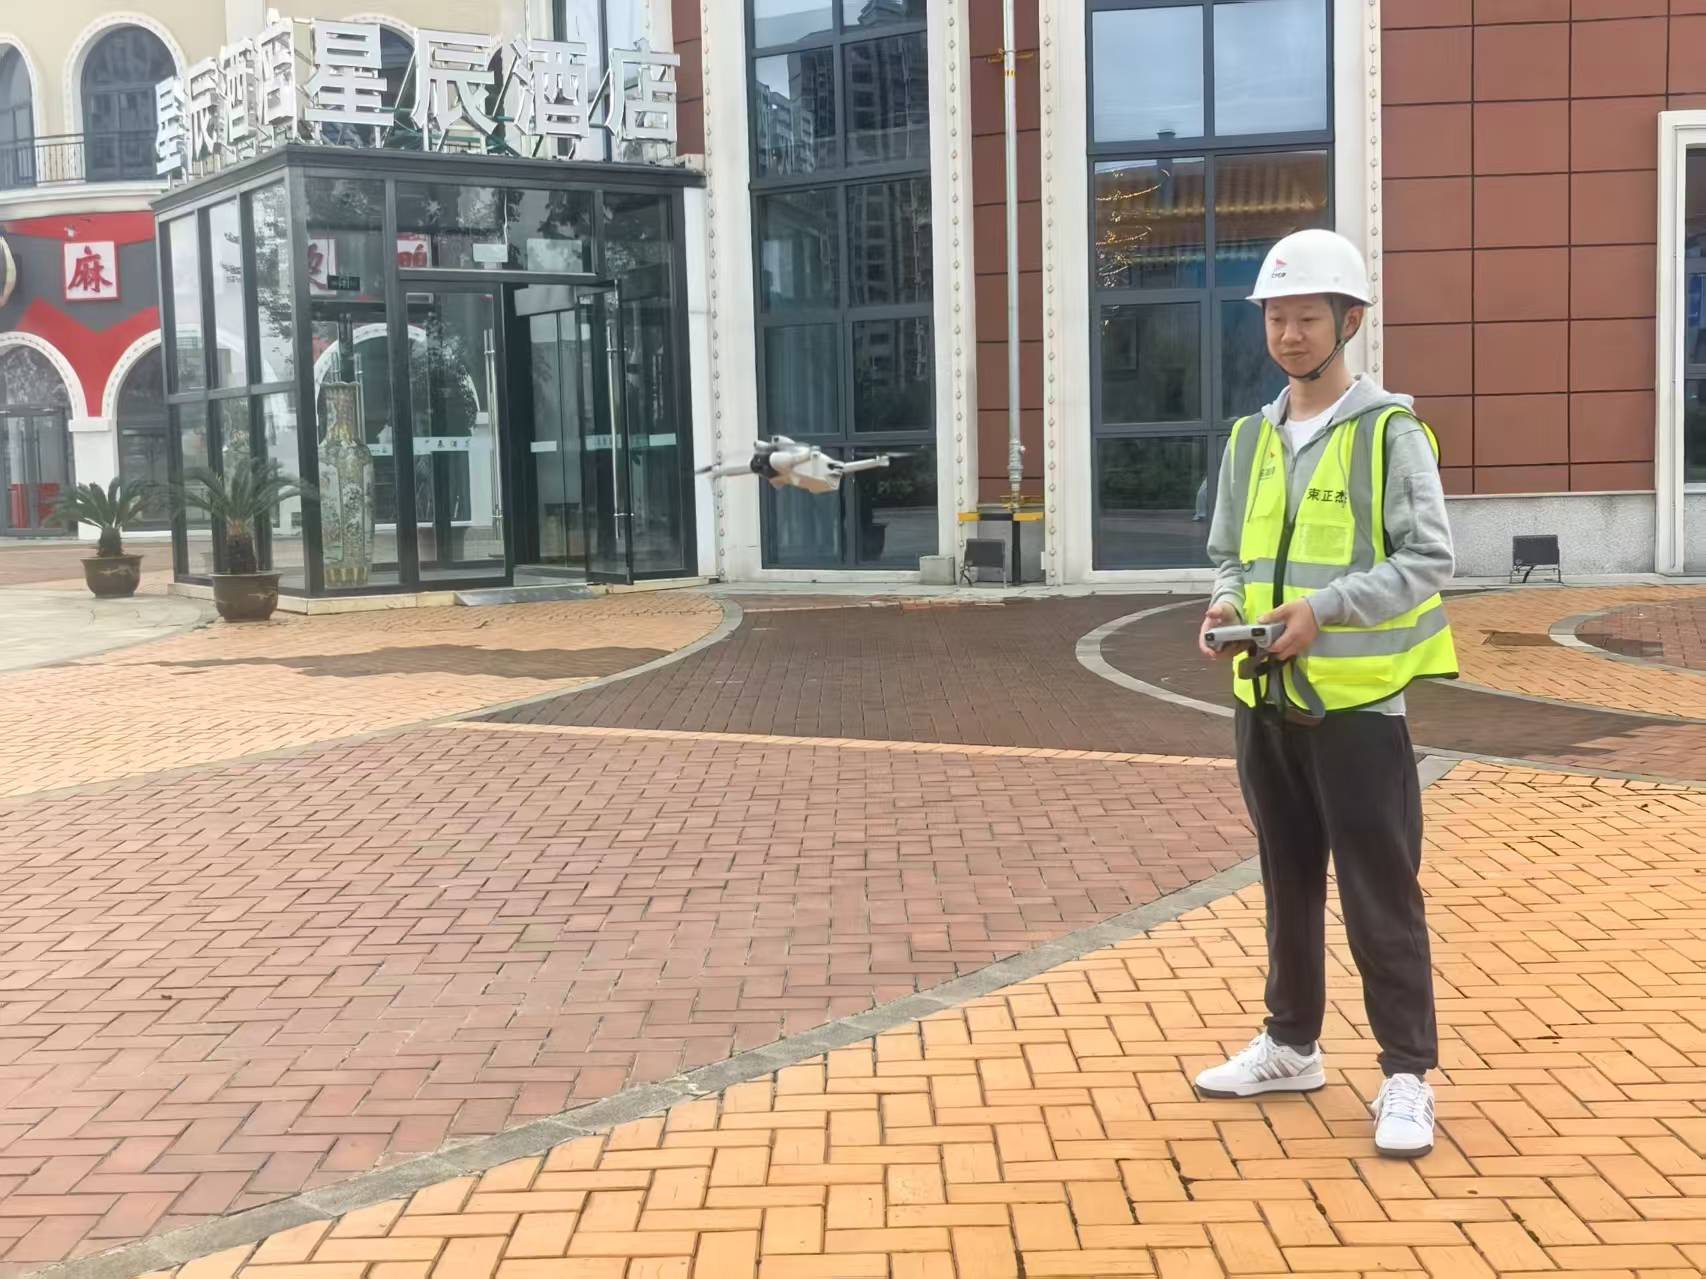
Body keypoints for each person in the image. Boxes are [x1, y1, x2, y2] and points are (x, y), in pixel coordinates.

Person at [1193, 228, 1458, 1160]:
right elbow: (1229, 553)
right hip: (1264, 700)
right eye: (1275, 317)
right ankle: (1291, 1044)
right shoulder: (1249, 438)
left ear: (1350, 321)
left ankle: (1407, 1074)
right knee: (1288, 879)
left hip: (1357, 709)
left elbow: (1428, 558)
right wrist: (1227, 604)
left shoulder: (1390, 433)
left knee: (1380, 893)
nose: (1289, 334)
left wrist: (1325, 609)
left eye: (1307, 317)